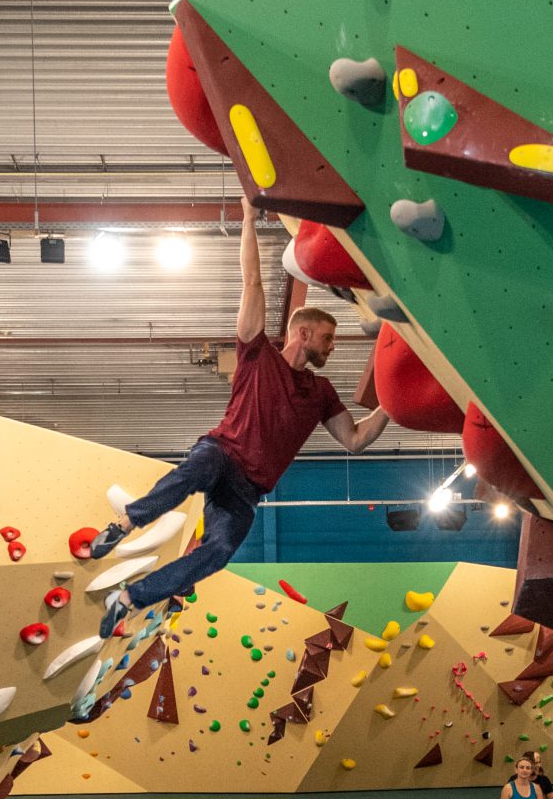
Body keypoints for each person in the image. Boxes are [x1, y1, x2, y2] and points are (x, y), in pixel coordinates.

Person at [91, 197, 390, 638]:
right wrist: (248, 219)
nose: (333, 347)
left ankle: (130, 599)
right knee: (194, 471)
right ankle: (124, 523)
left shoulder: (321, 392)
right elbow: (252, 280)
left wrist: (394, 405)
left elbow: (356, 439)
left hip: (247, 492)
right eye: (328, 338)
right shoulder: (257, 353)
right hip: (222, 454)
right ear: (302, 333)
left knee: (220, 550)